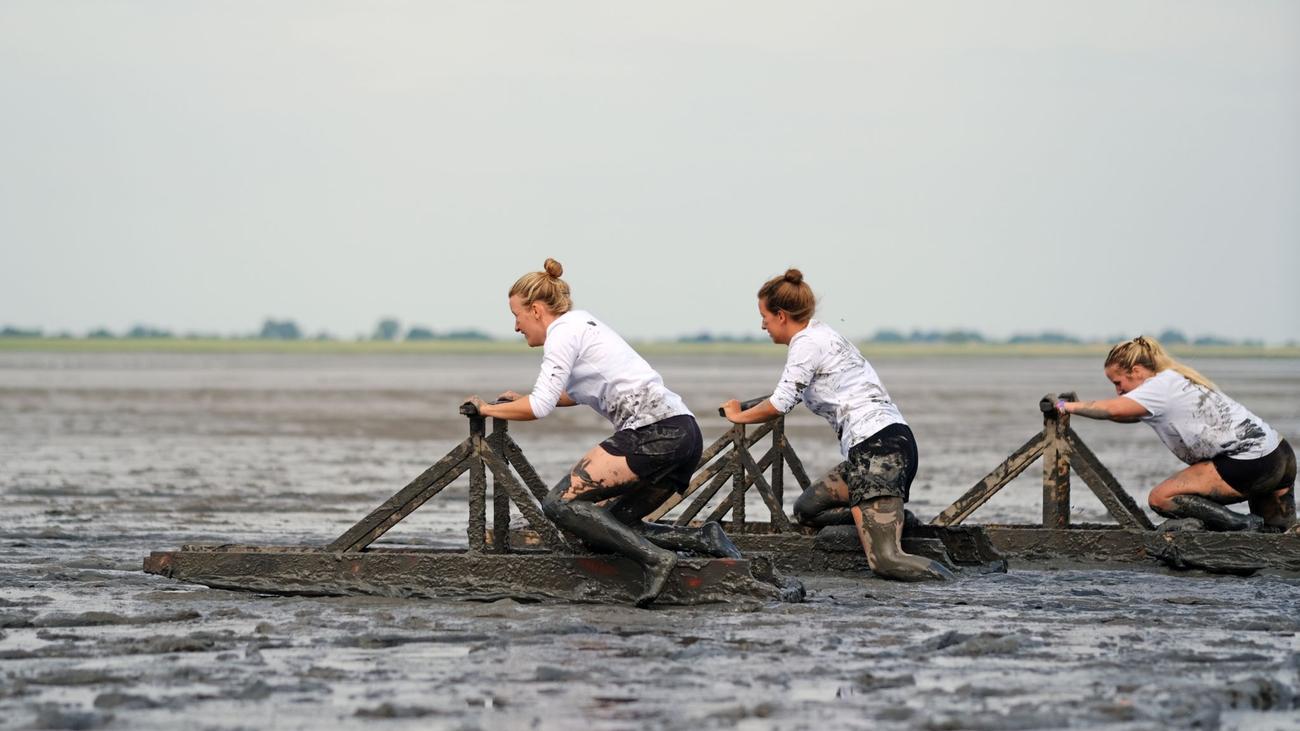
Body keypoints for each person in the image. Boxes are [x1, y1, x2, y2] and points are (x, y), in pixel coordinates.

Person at [465, 258, 741, 607]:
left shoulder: (562, 333)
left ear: (536, 310)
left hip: (653, 433)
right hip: (683, 432)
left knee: (559, 505)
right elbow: (572, 394)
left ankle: (656, 560)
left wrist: (487, 409)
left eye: (516, 316)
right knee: (610, 526)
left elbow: (540, 407)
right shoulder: (582, 323)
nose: (516, 327)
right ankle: (705, 538)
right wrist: (522, 398)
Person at [720, 269, 953, 581]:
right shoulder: (821, 335)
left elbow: (780, 404)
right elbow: (791, 393)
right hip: (880, 445)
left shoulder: (806, 344)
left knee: (886, 561)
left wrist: (737, 417)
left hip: (878, 451)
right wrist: (745, 406)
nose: (762, 325)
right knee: (807, 509)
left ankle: (956, 584)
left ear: (782, 315)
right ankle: (892, 519)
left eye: (764, 316)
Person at [1057, 336, 1295, 533]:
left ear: (1137, 371)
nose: (1118, 391)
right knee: (1278, 536)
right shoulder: (1172, 379)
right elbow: (1123, 414)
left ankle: (1241, 525)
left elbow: (1111, 409)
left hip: (1252, 462)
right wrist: (1079, 408)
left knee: (1161, 498)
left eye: (1118, 383)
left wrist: (1062, 407)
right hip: (1280, 455)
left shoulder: (1157, 388)